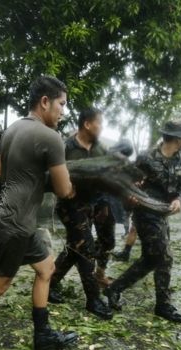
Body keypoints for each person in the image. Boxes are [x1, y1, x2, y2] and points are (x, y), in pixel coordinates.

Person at [0, 76, 78, 350]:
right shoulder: (51, 137)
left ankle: (43, 335)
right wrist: (69, 186)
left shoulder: (10, 131)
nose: (63, 111)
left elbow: (0, 174)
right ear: (45, 102)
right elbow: (62, 187)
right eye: (61, 103)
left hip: (14, 220)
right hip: (15, 225)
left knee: (46, 268)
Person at [103, 119, 181, 324]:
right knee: (165, 256)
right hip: (145, 212)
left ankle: (113, 289)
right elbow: (129, 183)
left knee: (151, 259)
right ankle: (163, 305)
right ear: (178, 139)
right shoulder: (146, 158)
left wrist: (179, 199)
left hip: (163, 213)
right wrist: (130, 198)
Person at [46, 108, 113, 320]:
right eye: (99, 123)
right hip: (70, 205)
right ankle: (93, 299)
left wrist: (103, 205)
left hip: (92, 205)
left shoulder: (101, 149)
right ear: (87, 124)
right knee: (87, 248)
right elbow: (49, 174)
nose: (101, 128)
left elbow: (106, 176)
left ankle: (49, 285)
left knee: (75, 249)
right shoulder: (66, 147)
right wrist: (64, 185)